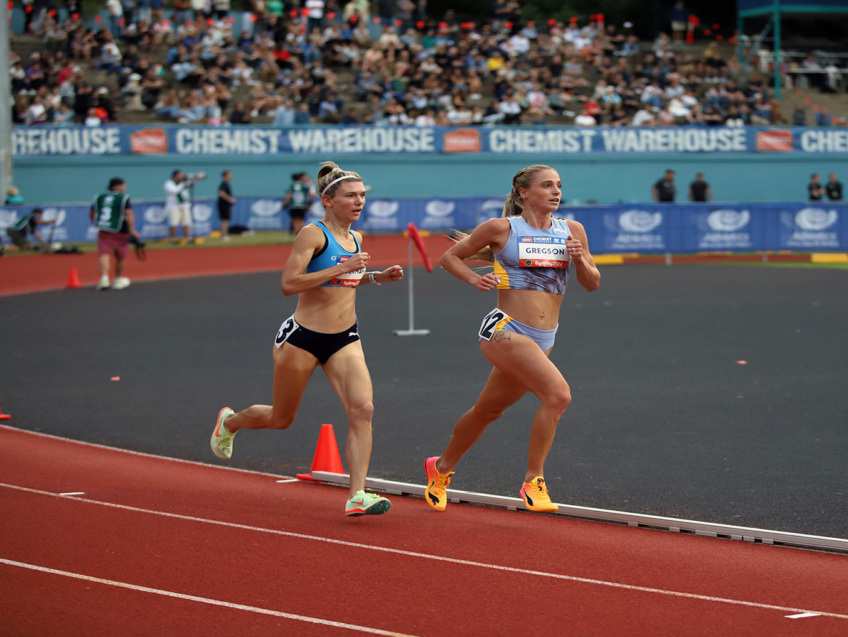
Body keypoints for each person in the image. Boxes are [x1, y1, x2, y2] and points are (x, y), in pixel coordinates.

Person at [210, 161, 404, 516]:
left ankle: (357, 494)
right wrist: (343, 267)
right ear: (329, 200)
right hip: (303, 338)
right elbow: (289, 284)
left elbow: (342, 282)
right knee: (282, 418)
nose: (359, 202)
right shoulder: (312, 234)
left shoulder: (355, 237)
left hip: (345, 338)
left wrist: (375, 278)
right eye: (351, 196)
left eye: (362, 195)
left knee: (363, 409)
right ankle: (231, 421)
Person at [423, 164, 601, 514]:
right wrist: (475, 280)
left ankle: (440, 468)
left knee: (488, 411)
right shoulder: (501, 228)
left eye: (559, 185)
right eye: (547, 185)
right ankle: (534, 481)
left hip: (544, 338)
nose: (556, 191)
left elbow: (592, 283)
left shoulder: (572, 229)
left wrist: (580, 261)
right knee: (558, 394)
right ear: (523, 193)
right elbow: (450, 257)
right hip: (505, 330)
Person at [90, 178, 141, 290]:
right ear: (117, 186)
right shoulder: (123, 198)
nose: (124, 188)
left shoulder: (99, 197)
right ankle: (118, 279)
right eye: (123, 185)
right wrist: (132, 230)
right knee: (121, 257)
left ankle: (104, 279)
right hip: (121, 230)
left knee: (104, 254)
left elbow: (92, 212)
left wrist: (95, 223)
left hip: (104, 229)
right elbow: (129, 214)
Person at [163, 170, 200, 244]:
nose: (182, 177)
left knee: (186, 223)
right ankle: (173, 239)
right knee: (173, 223)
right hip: (173, 206)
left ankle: (188, 238)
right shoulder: (169, 183)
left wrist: (196, 178)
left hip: (184, 205)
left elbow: (192, 184)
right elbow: (175, 191)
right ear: (175, 176)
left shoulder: (183, 182)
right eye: (180, 175)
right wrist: (182, 183)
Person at [217, 170, 236, 240]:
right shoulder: (224, 184)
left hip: (226, 205)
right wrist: (230, 199)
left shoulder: (226, 184)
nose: (231, 177)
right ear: (225, 176)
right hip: (224, 205)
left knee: (226, 220)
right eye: (229, 175)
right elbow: (221, 193)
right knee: (225, 220)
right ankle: (223, 236)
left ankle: (224, 235)